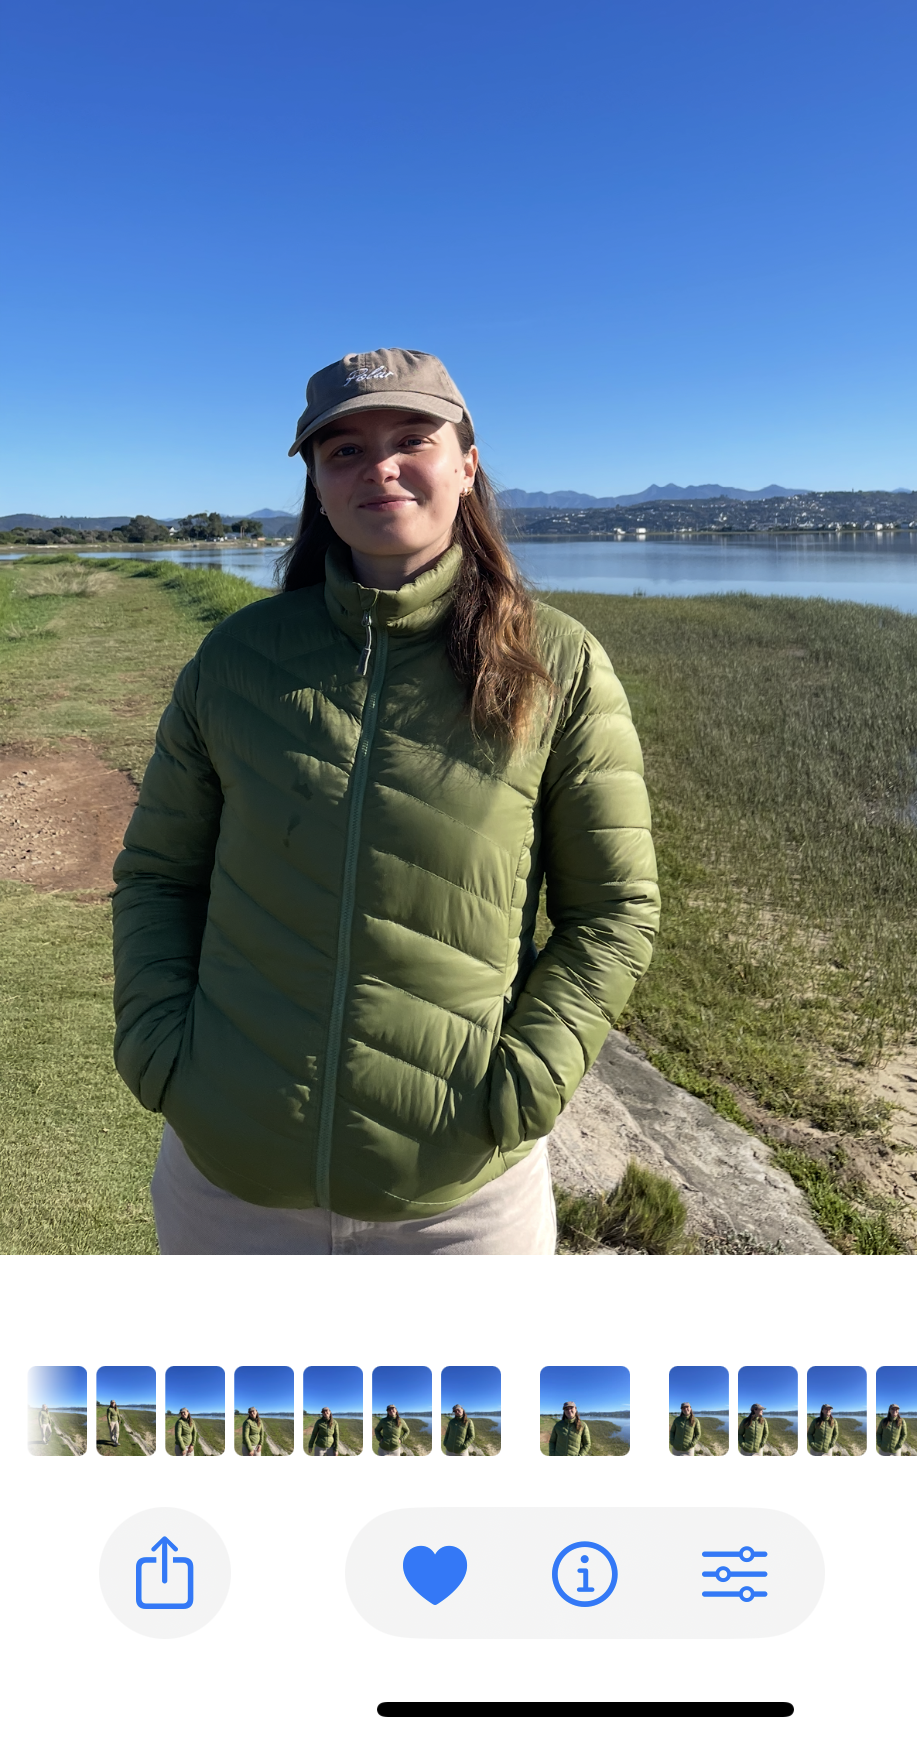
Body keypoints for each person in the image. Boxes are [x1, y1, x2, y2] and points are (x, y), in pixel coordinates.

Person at [112, 350, 660, 1258]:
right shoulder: (236, 661)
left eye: (412, 439)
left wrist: (524, 1085)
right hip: (228, 1179)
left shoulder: (555, 665)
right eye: (345, 451)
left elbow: (614, 911)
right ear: (317, 484)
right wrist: (160, 1048)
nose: (381, 468)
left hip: (460, 1200)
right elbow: (158, 876)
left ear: (467, 465)